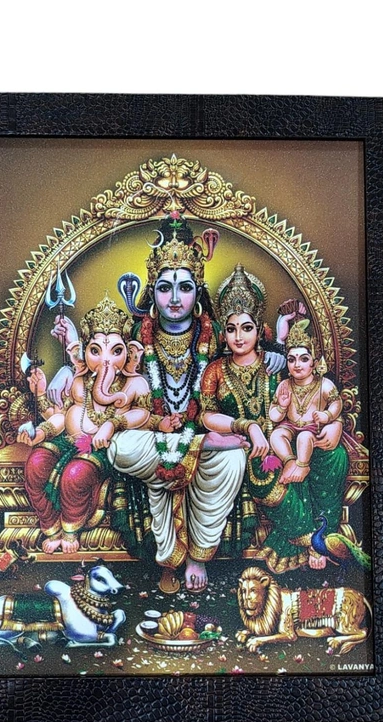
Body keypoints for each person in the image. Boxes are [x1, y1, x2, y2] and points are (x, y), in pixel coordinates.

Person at [107, 214, 257, 594]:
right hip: (152, 435)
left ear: (198, 291)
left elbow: (251, 352)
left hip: (203, 430)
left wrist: (272, 353)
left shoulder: (217, 336)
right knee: (120, 447)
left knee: (233, 459)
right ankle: (201, 449)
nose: (175, 299)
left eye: (185, 288)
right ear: (152, 293)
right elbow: (105, 372)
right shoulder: (136, 336)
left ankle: (195, 556)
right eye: (165, 288)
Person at [200, 264, 349, 573]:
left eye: (246, 328)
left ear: (259, 330)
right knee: (263, 469)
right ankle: (312, 540)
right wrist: (244, 426)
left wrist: (334, 424)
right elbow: (207, 415)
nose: (239, 336)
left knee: (334, 456)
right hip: (242, 444)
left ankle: (327, 530)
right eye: (231, 329)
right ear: (223, 333)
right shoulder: (215, 370)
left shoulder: (277, 364)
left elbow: (310, 393)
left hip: (288, 435)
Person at [18, 295, 151, 554]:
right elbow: (61, 416)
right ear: (81, 352)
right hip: (69, 441)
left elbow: (143, 416)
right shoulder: (79, 382)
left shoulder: (134, 383)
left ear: (131, 353)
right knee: (35, 464)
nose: (105, 361)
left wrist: (112, 424)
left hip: (104, 449)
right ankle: (50, 525)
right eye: (95, 351)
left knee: (75, 475)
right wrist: (39, 432)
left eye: (116, 351)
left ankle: (71, 527)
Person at [269, 320, 343, 484]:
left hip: (312, 428)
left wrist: (327, 415)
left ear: (314, 363)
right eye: (291, 360)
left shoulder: (324, 384)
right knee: (276, 435)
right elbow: (273, 415)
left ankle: (303, 466)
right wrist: (282, 407)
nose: (297, 365)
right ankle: (289, 461)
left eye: (303, 359)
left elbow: (336, 403)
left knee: (303, 437)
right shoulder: (285, 385)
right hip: (290, 425)